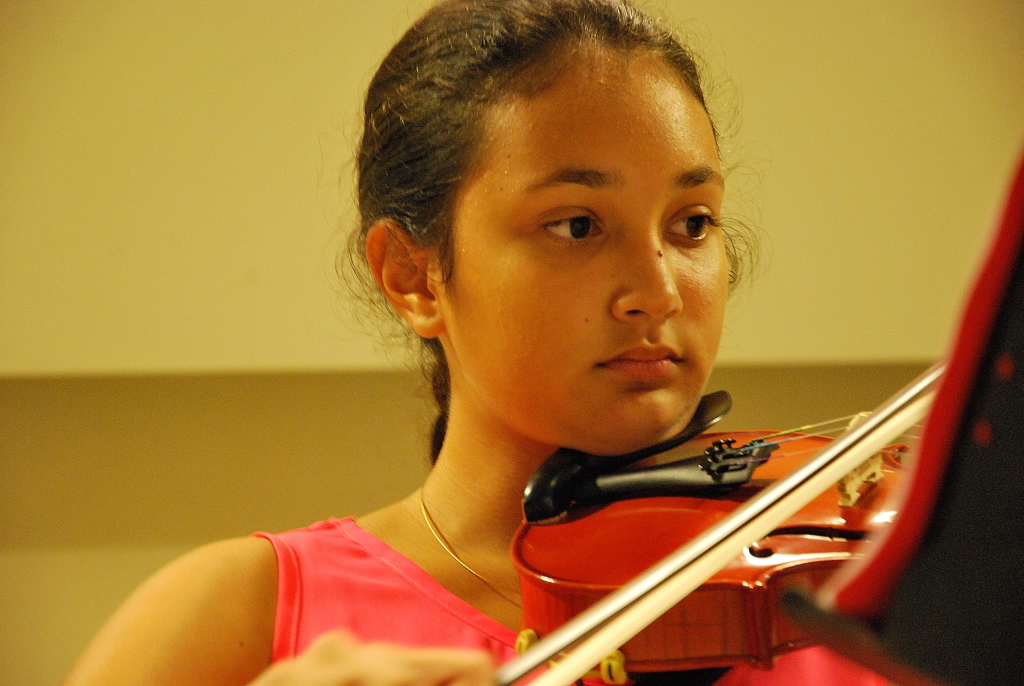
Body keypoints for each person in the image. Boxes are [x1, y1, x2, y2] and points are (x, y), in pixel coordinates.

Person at [63, 1, 886, 685]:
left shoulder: (844, 606)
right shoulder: (236, 617)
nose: (660, 291)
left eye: (692, 223)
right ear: (413, 276)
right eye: (577, 225)